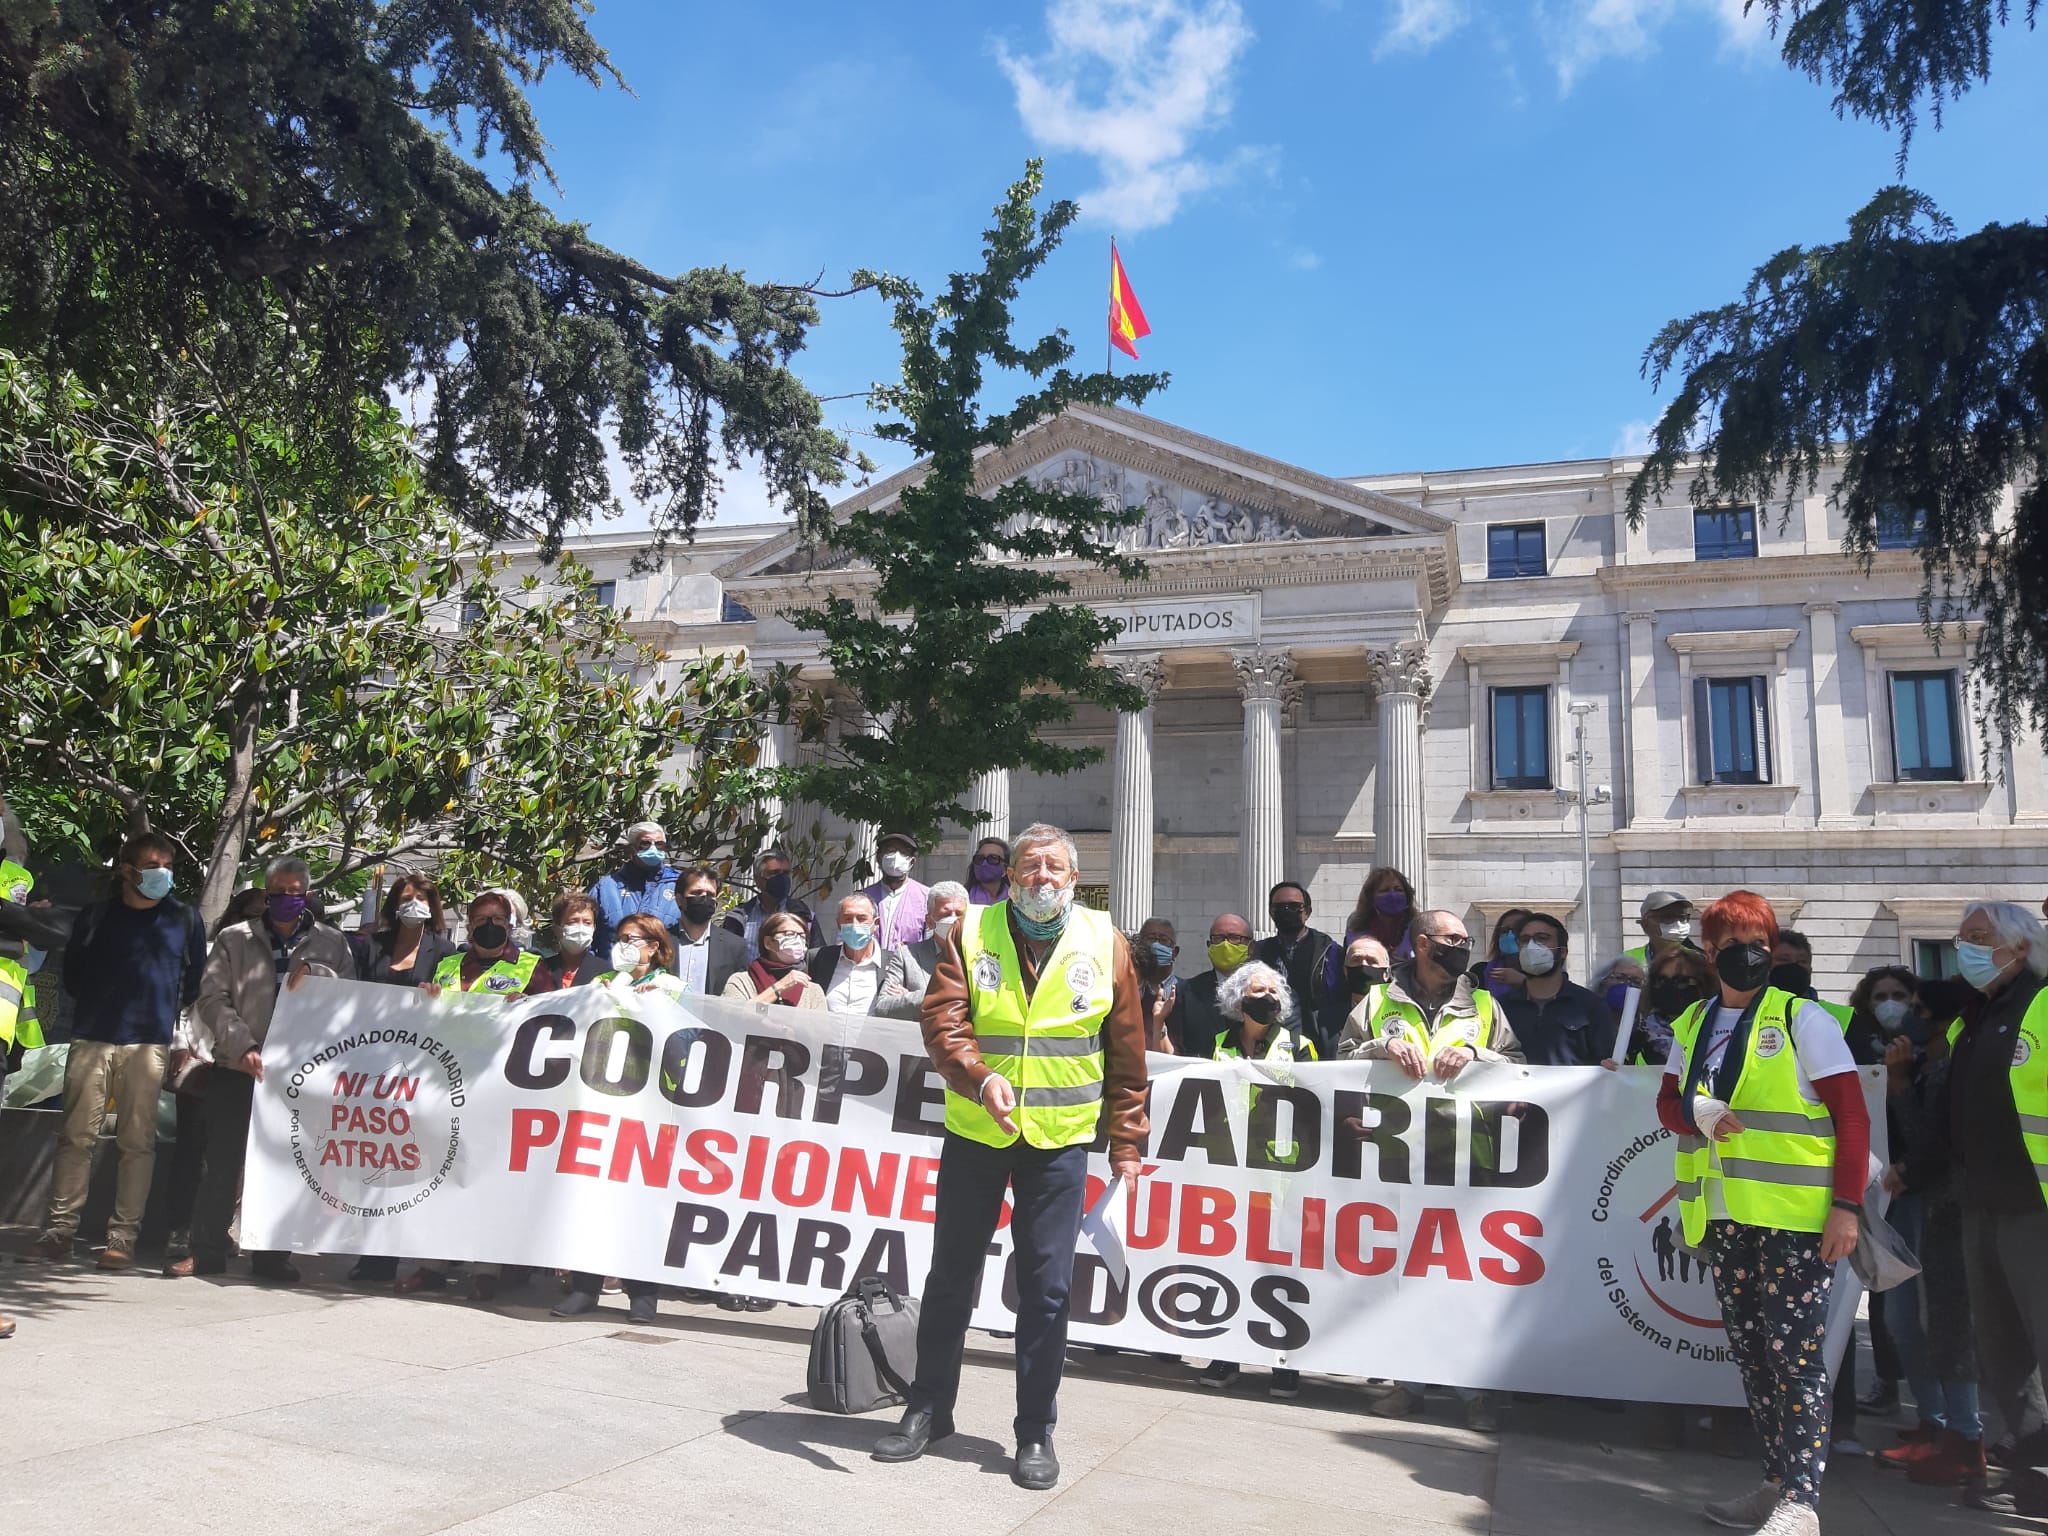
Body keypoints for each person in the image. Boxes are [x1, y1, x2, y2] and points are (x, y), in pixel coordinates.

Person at [872, 823, 1148, 1491]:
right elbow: (943, 1021)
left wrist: (1129, 1141)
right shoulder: (969, 932)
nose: (1042, 877)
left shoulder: (1105, 943)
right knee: (950, 1279)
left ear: (1074, 880)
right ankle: (929, 1409)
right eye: (1031, 866)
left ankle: (1034, 1430)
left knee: (1049, 1292)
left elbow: (1128, 1050)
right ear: (1012, 875)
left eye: (1055, 867)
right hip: (977, 1134)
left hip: (1058, 1145)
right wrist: (977, 1075)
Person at [1660, 890, 1869, 1536]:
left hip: (1797, 1220)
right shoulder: (1693, 1023)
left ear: (1772, 951)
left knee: (1795, 1356)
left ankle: (1801, 1500)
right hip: (1726, 1218)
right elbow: (1668, 1105)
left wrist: (1847, 1208)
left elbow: (1852, 1117)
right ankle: (1776, 1481)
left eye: (1756, 945)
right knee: (1753, 1354)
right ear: (1710, 953)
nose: (1744, 957)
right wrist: (1700, 1113)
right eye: (1728, 946)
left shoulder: (1805, 1020)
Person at [1337, 908, 1522, 1432]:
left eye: (1465, 940)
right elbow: (1339, 1060)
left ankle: (1475, 1394)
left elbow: (1519, 1065)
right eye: (1453, 938)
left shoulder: (1483, 1004)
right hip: (1395, 1162)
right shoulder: (1377, 1001)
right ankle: (1406, 1384)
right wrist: (1381, 1045)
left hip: (1468, 1162)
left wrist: (1473, 1051)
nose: (1463, 946)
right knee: (1404, 1276)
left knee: (1467, 1279)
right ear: (1422, 944)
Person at [1897, 901, 2048, 1520]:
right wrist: (1911, 1168)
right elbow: (1950, 1119)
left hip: (2036, 1206)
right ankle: (2031, 1471)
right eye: (1962, 940)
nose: (1967, 950)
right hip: (1980, 1203)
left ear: (2020, 946)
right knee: (2003, 1350)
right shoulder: (1969, 1021)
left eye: (1979, 939)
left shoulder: (2042, 1002)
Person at [31, 831, 206, 1271]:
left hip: (148, 1042)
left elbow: (196, 980)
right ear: (126, 870)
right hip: (93, 1036)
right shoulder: (96, 916)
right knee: (76, 1137)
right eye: (151, 867)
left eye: (167, 867)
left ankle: (122, 1239)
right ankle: (59, 1232)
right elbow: (72, 975)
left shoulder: (184, 919)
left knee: (137, 1143)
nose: (161, 875)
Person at [179, 857, 353, 1282]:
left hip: (302, 1077)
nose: (286, 901)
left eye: (294, 894)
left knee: (287, 1164)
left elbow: (351, 999)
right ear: (267, 893)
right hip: (238, 1067)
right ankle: (206, 1251)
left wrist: (320, 972)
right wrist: (244, 1046)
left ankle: (273, 1256)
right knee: (222, 1162)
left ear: (307, 895)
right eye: (278, 893)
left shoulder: (331, 943)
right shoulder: (234, 939)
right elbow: (212, 999)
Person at [1867, 966, 1986, 1487]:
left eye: (1915, 1008)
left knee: (1944, 1322)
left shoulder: (1946, 1065)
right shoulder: (1930, 1062)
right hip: (1919, 1203)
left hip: (1942, 1204)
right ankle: (1937, 1424)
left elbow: (1928, 1137)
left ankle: (1962, 1434)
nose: (1905, 1015)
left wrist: (1896, 1084)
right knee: (1906, 1321)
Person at [401, 889, 545, 1295]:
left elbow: (553, 1018)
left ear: (510, 923)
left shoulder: (531, 967)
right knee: (437, 1173)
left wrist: (531, 1003)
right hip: (442, 1083)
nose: (489, 925)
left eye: (498, 919)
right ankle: (430, 1265)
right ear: (468, 920)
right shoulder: (446, 963)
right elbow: (414, 1014)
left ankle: (486, 1270)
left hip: (498, 1086)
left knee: (488, 1177)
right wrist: (426, 998)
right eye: (481, 918)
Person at [1196, 960, 1314, 1398]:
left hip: (1283, 1177)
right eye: (1256, 990)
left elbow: (1316, 1107)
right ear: (1237, 999)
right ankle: (1227, 1353)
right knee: (1232, 1262)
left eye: (1272, 992)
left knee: (1280, 1268)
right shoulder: (1219, 1043)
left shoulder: (1300, 1045)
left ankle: (1283, 1360)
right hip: (1231, 1174)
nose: (1266, 998)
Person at [1496, 911, 1617, 1066]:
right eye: (1525, 940)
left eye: (1542, 938)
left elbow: (1605, 1064)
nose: (1532, 947)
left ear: (1562, 952)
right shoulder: (1501, 1007)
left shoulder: (1591, 1006)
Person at [1258, 880, 1337, 1050]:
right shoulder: (1259, 953)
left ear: (1307, 912)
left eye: (1294, 906)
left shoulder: (1329, 950)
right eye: (1280, 907)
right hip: (1271, 1042)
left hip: (1319, 1041)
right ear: (1271, 912)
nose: (1286, 911)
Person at [876, 881, 969, 1022]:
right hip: (918, 1040)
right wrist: (928, 996)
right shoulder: (906, 955)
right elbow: (883, 1006)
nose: (953, 919)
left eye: (959, 914)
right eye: (946, 914)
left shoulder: (980, 955)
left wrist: (907, 996)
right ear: (930, 921)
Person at [589, 820, 681, 954]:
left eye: (659, 844)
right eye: (645, 843)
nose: (653, 849)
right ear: (631, 848)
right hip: (611, 972)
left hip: (660, 973)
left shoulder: (678, 885)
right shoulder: (606, 888)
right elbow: (588, 939)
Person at [351, 872, 456, 988]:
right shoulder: (372, 944)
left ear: (430, 907)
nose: (414, 904)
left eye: (420, 899)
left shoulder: (444, 950)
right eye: (406, 899)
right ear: (396, 906)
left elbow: (447, 993)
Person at [1178, 913, 1253, 1060]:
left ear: (1251, 947)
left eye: (1234, 938)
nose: (1225, 945)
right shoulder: (1187, 992)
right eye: (1218, 939)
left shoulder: (1266, 991)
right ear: (1209, 946)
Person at [723, 846, 819, 953]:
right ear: (758, 879)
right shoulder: (739, 917)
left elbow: (816, 955)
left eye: (786, 873)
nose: (782, 878)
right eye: (774, 873)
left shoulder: (803, 915)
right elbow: (726, 956)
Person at [722, 911, 826, 1009]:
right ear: (768, 942)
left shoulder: (812, 990)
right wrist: (779, 987)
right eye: (790, 934)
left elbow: (819, 1026)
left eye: (802, 937)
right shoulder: (742, 982)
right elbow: (734, 1017)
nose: (798, 941)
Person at [671, 864, 748, 997]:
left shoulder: (735, 947)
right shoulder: (661, 941)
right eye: (696, 893)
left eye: (710, 894)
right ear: (679, 899)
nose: (704, 898)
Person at [811, 893, 886, 1016]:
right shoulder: (819, 958)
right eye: (847, 919)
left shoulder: (893, 964)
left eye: (862, 918)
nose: (854, 924)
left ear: (876, 924)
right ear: (838, 924)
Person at [862, 831, 930, 951]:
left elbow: (931, 944)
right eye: (890, 850)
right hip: (869, 966)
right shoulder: (863, 898)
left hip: (909, 967)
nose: (896, 856)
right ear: (879, 857)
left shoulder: (926, 898)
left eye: (903, 852)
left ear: (912, 862)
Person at [531, 890, 604, 992]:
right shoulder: (538, 970)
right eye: (572, 922)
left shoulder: (605, 971)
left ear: (594, 928)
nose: (580, 928)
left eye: (587, 922)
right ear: (557, 929)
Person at [1132, 916, 1181, 1053]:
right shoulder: (1127, 990)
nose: (1156, 945)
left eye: (1163, 940)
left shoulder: (1189, 994)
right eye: (1150, 939)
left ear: (1175, 952)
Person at [1626, 889, 1697, 968]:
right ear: (1645, 925)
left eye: (1683, 917)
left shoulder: (1698, 960)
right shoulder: (1626, 960)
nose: (1678, 924)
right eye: (1667, 917)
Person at [966, 836, 1010, 905]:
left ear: (1005, 869)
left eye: (993, 858)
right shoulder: (960, 899)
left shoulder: (1018, 903)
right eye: (980, 859)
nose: (984, 864)